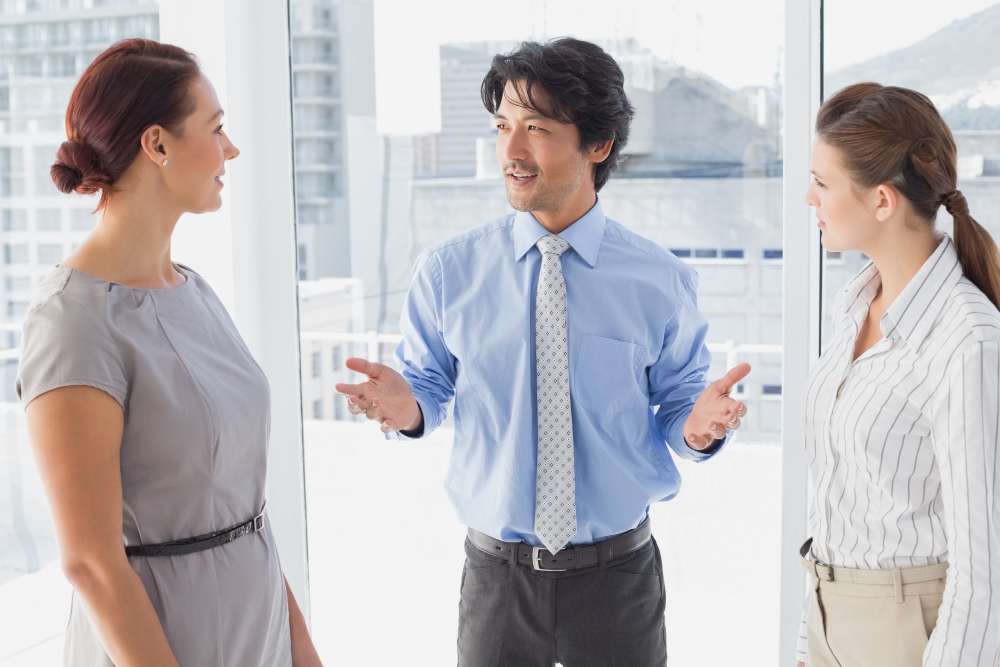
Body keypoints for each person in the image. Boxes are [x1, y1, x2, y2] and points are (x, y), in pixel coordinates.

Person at [337, 38, 749, 667]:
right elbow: (428, 386)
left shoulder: (660, 280)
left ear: (599, 144)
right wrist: (408, 407)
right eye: (503, 126)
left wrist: (696, 428)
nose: (511, 150)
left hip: (619, 580)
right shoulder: (448, 272)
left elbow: (678, 407)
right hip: (497, 581)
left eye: (536, 128)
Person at [15, 39, 321, 667]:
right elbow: (91, 562)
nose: (230, 149)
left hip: (257, 629)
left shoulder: (196, 291)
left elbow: (246, 514)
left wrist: (303, 651)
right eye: (215, 129)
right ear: (156, 145)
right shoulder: (72, 321)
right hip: (162, 643)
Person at [797, 82, 1000, 667]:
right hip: (831, 619)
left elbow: (983, 566)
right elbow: (834, 498)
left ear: (882, 201)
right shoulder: (853, 307)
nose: (808, 198)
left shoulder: (968, 339)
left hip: (912, 633)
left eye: (822, 182)